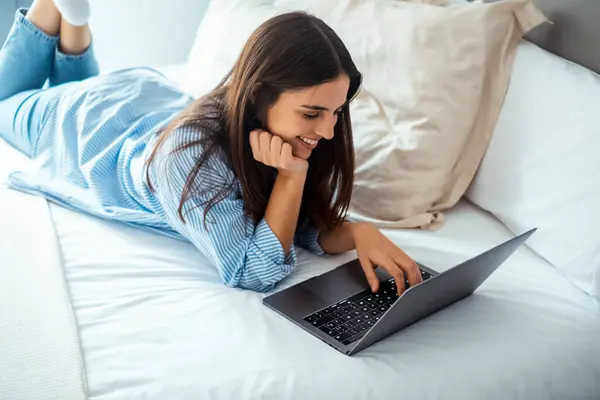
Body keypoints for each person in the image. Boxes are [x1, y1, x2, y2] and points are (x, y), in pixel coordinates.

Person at [0, 0, 422, 293]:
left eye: (337, 112)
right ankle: (57, 13)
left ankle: (73, 19)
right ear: (260, 94)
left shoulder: (286, 129)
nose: (328, 132)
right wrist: (291, 177)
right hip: (87, 120)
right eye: (312, 114)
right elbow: (249, 269)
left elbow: (303, 227)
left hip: (143, 96)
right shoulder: (189, 158)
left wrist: (357, 232)